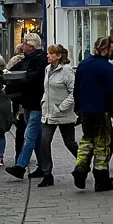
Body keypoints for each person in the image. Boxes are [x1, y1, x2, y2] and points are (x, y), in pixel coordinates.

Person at [72, 38, 113, 191]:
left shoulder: (83, 64)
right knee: (102, 143)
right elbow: (112, 91)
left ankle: (80, 167)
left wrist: (78, 108)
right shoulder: (107, 68)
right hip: (101, 110)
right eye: (111, 49)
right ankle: (101, 177)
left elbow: (76, 87)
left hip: (85, 111)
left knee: (87, 139)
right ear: (106, 49)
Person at [4, 34, 50, 181]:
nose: (22, 46)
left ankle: (20, 166)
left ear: (31, 46)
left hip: (37, 103)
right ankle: (43, 167)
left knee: (29, 135)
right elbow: (12, 71)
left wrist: (11, 88)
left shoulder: (39, 61)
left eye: (24, 43)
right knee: (35, 137)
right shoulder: (27, 59)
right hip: (28, 102)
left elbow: (30, 79)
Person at [37, 44, 78, 187]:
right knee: (44, 141)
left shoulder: (67, 71)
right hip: (48, 113)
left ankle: (83, 162)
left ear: (59, 56)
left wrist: (62, 107)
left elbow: (75, 92)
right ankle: (47, 174)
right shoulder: (47, 69)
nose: (48, 56)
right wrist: (44, 102)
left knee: (70, 143)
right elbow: (47, 89)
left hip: (63, 114)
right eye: (48, 53)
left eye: (51, 53)